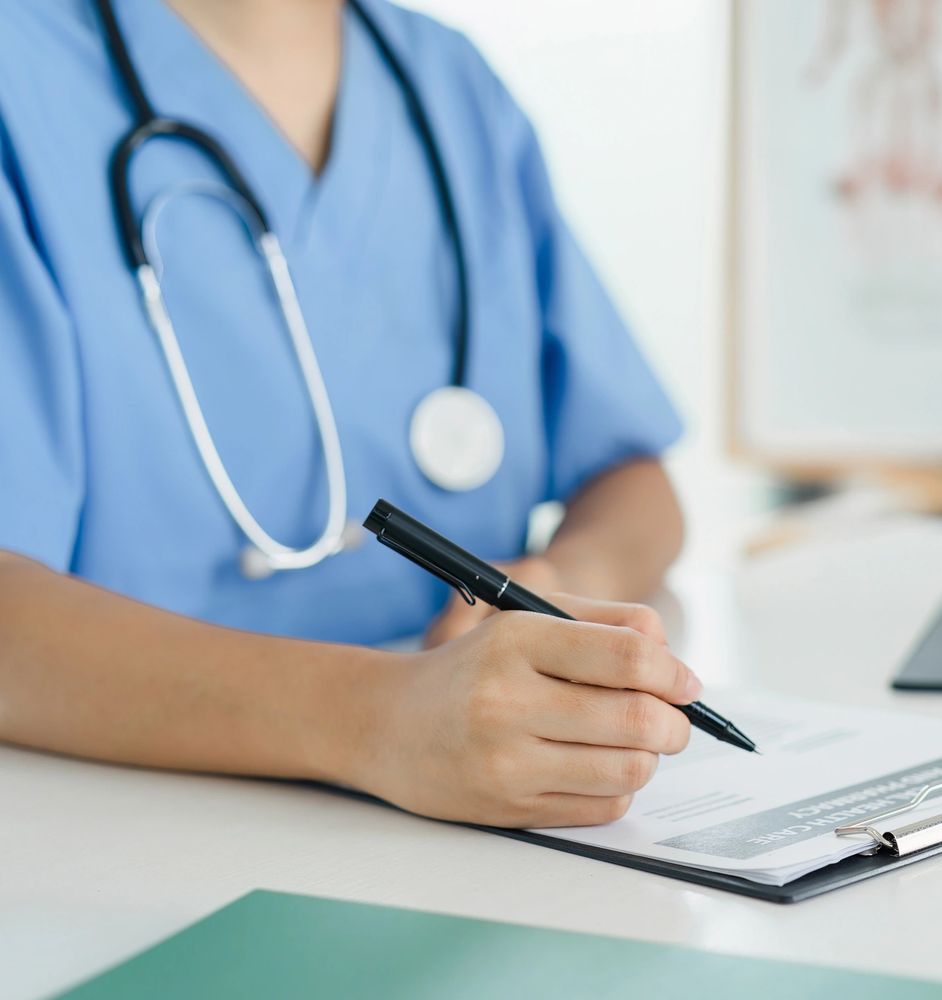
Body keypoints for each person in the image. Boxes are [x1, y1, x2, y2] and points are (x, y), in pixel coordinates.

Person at [0, 0, 697, 828]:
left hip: (464, 837)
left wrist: (557, 593)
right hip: (120, 840)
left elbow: (632, 478)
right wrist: (379, 719)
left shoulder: (447, 82)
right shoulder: (24, 76)